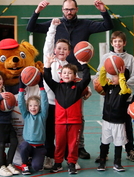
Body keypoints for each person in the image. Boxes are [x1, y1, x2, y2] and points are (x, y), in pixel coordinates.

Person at [27, 0, 114, 159]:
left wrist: (103, 10)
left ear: (77, 9)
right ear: (62, 10)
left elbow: (108, 25)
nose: (69, 12)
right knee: (54, 114)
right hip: (56, 74)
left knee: (77, 114)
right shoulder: (56, 24)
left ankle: (78, 147)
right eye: (66, 9)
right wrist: (37, 11)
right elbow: (30, 27)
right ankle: (52, 149)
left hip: (77, 74)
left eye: (72, 9)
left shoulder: (86, 25)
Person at [42, 18, 88, 169]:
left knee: (69, 136)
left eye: (64, 49)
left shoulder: (69, 67)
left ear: (68, 52)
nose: (61, 51)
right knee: (51, 133)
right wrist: (52, 28)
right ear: (54, 50)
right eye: (58, 48)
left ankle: (71, 160)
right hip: (50, 103)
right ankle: (50, 157)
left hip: (67, 105)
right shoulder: (49, 60)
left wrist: (86, 92)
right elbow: (49, 44)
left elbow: (80, 82)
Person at [95, 31, 134, 162]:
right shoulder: (106, 57)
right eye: (115, 41)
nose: (117, 43)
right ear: (112, 43)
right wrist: (99, 82)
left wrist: (123, 85)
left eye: (120, 41)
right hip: (110, 96)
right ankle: (104, 152)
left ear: (124, 43)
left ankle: (130, 150)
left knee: (126, 124)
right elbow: (99, 73)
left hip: (125, 97)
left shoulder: (130, 58)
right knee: (107, 125)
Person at [43, 55, 91, 174]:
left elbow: (87, 78)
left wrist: (84, 65)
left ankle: (72, 163)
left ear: (75, 76)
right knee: (59, 144)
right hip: (59, 122)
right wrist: (47, 65)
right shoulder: (57, 87)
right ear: (60, 75)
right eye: (64, 72)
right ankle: (58, 163)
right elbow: (47, 77)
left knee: (73, 145)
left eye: (70, 73)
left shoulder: (78, 87)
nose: (67, 75)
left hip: (75, 122)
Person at [96, 65, 131, 172]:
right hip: (107, 120)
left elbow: (124, 87)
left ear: (122, 78)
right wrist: (104, 69)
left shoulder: (125, 91)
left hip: (118, 122)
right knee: (104, 142)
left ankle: (117, 163)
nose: (112, 77)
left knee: (118, 143)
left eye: (114, 76)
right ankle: (102, 162)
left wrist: (121, 75)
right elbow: (102, 81)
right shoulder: (109, 87)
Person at [18, 75, 48, 175]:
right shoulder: (26, 115)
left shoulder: (42, 116)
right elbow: (21, 103)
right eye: (30, 105)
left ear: (39, 107)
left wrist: (41, 87)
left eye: (35, 105)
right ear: (28, 107)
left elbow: (44, 102)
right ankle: (24, 164)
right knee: (24, 145)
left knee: (37, 167)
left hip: (39, 147)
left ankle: (33, 161)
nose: (33, 108)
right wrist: (21, 88)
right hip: (28, 145)